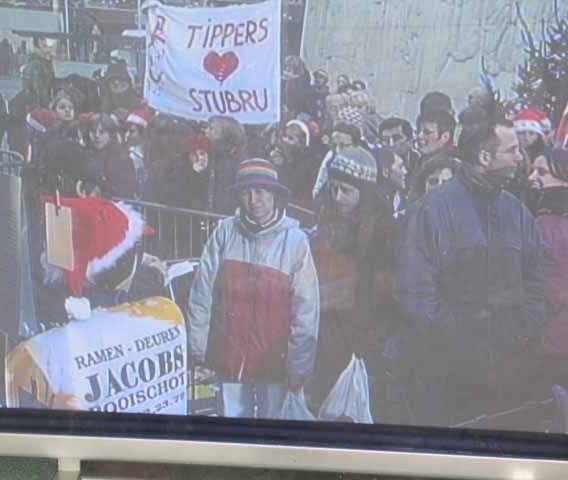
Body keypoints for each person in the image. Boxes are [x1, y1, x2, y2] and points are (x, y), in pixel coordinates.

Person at [396, 109, 546, 428]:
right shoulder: (431, 210)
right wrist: (462, 339)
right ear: (484, 157)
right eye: (512, 150)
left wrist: (519, 333)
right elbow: (417, 293)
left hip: (506, 372)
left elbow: (537, 284)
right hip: (445, 373)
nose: (521, 157)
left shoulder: (517, 212)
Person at [187, 159, 320, 419]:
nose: (254, 200)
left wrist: (299, 365)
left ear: (274, 196)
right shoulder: (225, 232)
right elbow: (202, 291)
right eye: (246, 193)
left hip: (275, 357)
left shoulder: (295, 242)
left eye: (261, 192)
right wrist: (198, 344)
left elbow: (306, 309)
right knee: (232, 421)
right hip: (230, 352)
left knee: (275, 425)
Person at [308, 147, 396, 415]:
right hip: (325, 324)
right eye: (334, 189)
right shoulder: (328, 217)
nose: (338, 197)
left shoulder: (383, 227)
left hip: (360, 328)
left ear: (364, 192)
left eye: (347, 191)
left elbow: (385, 283)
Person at [528, 147, 568, 389]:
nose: (532, 177)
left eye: (541, 171)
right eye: (532, 170)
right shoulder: (540, 220)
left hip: (552, 342)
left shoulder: (546, 226)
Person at [268, 119, 317, 208]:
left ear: (301, 142)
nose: (285, 140)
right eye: (285, 136)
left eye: (290, 138)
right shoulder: (278, 154)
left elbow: (294, 188)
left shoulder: (309, 164)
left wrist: (282, 167)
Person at [87, 113, 138, 199]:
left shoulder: (122, 158)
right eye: (93, 131)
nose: (97, 135)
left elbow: (127, 191)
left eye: (102, 132)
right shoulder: (84, 154)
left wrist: (101, 191)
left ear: (110, 134)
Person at [312, 123, 364, 200]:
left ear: (356, 146)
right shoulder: (330, 156)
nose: (338, 150)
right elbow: (319, 186)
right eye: (334, 145)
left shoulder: (365, 166)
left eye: (344, 146)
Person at [206, 115, 247, 213]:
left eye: (211, 128)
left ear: (225, 133)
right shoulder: (213, 155)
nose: (206, 131)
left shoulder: (236, 161)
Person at [378, 117, 421, 181]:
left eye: (397, 138)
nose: (391, 144)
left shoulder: (421, 161)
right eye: (386, 140)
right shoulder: (376, 163)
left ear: (410, 141)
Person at [125, 108, 153, 199]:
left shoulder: (150, 153)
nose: (127, 135)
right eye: (126, 131)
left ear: (143, 134)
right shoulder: (129, 155)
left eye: (132, 131)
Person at [22, 37, 56, 108]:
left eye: (49, 47)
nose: (48, 50)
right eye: (44, 46)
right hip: (39, 107)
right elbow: (39, 91)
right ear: (35, 49)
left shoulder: (46, 63)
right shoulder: (35, 65)